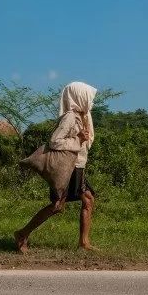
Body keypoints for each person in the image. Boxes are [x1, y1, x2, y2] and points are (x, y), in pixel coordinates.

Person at [15, 82, 98, 253]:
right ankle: (22, 233)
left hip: (78, 166)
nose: (91, 101)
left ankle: (84, 242)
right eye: (89, 97)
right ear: (79, 97)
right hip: (69, 168)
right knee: (57, 206)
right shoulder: (69, 117)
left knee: (88, 199)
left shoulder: (84, 116)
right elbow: (54, 141)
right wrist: (78, 139)